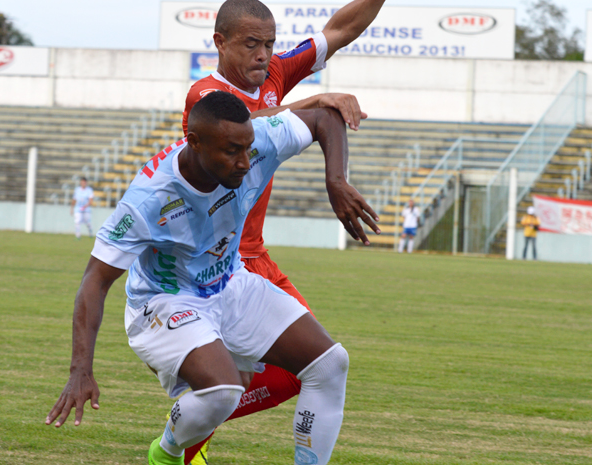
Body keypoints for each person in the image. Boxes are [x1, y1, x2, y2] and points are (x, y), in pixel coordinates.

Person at [45, 92, 380, 465]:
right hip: (164, 301)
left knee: (330, 364)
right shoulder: (150, 198)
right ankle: (167, 453)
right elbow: (94, 281)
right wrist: (80, 370)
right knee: (224, 391)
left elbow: (322, 119)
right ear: (195, 142)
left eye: (247, 148)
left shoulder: (255, 143)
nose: (244, 162)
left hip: (229, 282)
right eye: (231, 151)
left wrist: (335, 181)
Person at [178, 0, 385, 462]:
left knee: (316, 365)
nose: (262, 54)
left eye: (269, 45)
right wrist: (316, 101)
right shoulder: (204, 97)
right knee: (287, 369)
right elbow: (247, 128)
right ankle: (187, 434)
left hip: (257, 256)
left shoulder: (273, 74)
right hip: (216, 264)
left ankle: (191, 423)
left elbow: (342, 28)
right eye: (251, 44)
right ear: (220, 43)